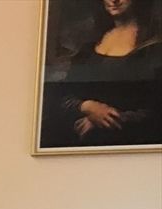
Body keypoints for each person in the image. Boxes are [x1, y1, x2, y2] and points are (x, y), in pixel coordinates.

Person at [42, 0, 162, 148]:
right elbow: (61, 95)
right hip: (77, 146)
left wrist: (103, 120)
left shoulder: (154, 47)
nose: (114, 0)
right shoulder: (89, 46)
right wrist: (86, 106)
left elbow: (155, 108)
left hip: (129, 144)